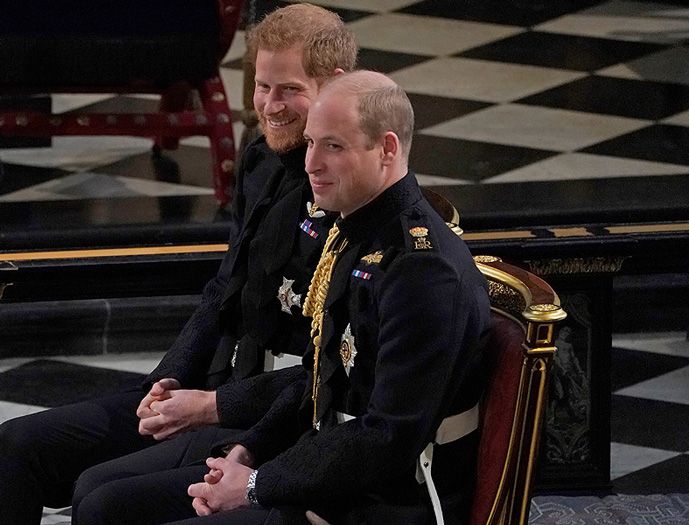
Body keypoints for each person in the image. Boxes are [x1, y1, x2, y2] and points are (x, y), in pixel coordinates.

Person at [77, 70, 492, 525]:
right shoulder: (354, 232)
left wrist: (256, 486)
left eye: (333, 146)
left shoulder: (423, 271)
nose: (311, 163)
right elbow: (317, 381)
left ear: (387, 149)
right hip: (331, 474)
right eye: (311, 142)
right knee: (105, 505)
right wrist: (247, 452)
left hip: (385, 504)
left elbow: (387, 437)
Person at [0, 5, 357, 524]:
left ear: (335, 86)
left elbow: (326, 376)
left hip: (271, 419)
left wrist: (212, 410)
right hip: (210, 386)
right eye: (262, 87)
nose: (270, 106)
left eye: (289, 90)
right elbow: (222, 291)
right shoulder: (259, 162)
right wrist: (164, 385)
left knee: (101, 498)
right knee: (16, 446)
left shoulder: (350, 196)